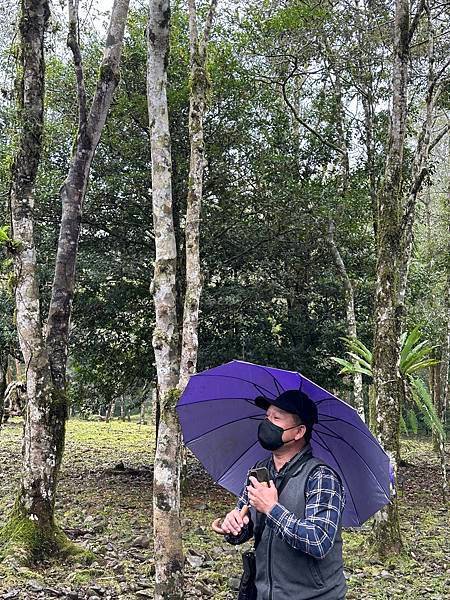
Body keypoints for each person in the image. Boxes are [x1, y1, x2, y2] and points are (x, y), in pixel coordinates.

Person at [221, 389, 347, 600]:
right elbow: (246, 527)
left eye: (276, 418)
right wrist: (233, 526)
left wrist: (272, 509)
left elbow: (318, 541)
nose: (267, 423)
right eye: (267, 417)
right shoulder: (259, 471)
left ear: (298, 432)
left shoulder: (321, 477)